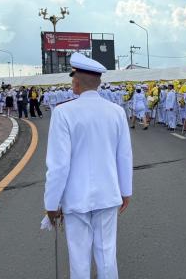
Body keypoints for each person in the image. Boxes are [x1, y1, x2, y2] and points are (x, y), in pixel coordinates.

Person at [44, 52, 133, 279]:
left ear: (75, 81)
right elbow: (124, 156)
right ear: (98, 82)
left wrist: (51, 203)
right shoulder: (116, 112)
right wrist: (126, 192)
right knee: (106, 255)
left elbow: (58, 165)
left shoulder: (63, 113)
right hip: (108, 194)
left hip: (75, 198)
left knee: (79, 258)